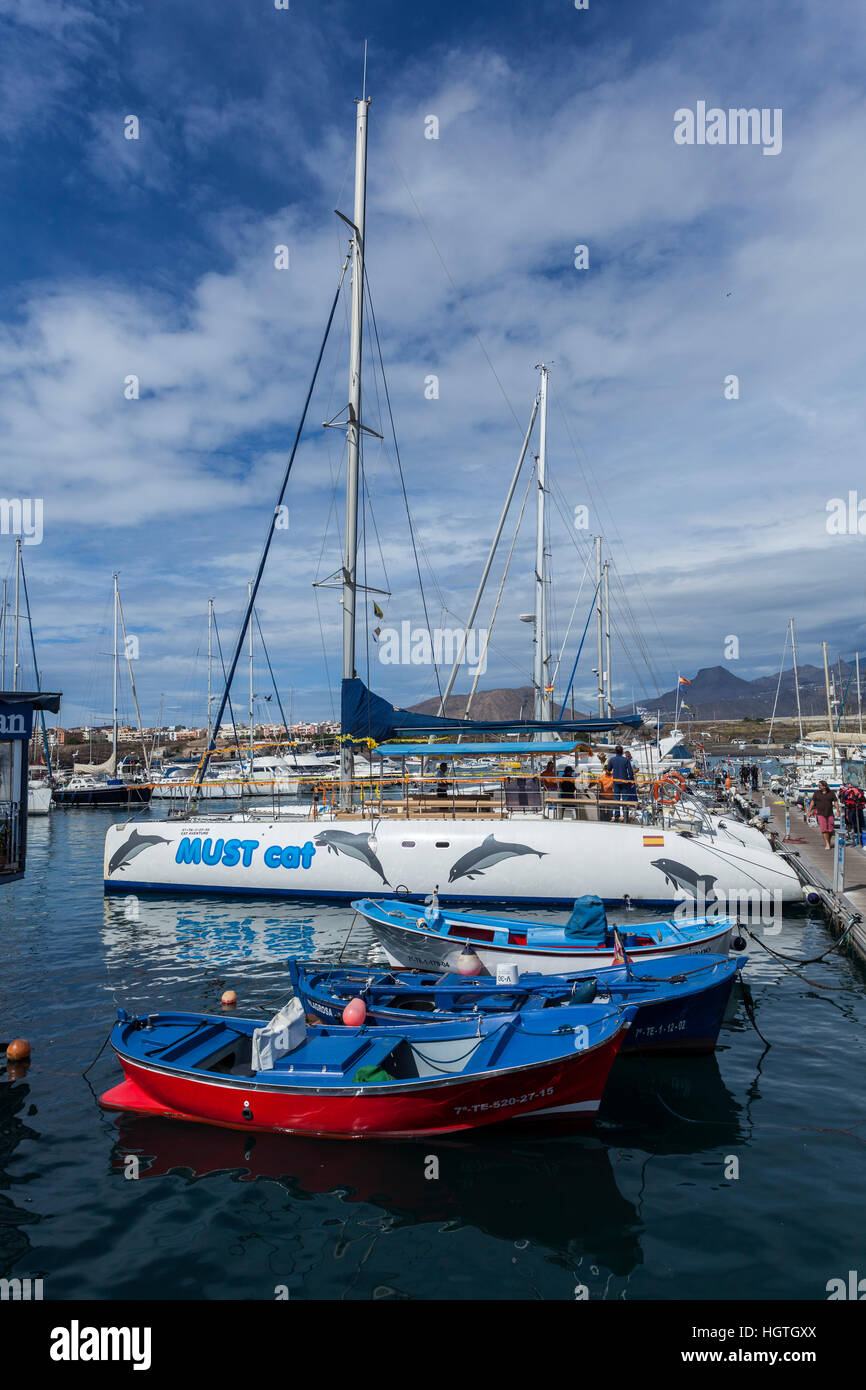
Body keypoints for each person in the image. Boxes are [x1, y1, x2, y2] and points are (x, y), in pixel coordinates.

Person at [606, 744, 637, 823]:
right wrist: (632, 781)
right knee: (625, 800)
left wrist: (609, 774)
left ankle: (616, 816)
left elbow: (608, 770)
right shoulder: (626, 760)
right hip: (624, 782)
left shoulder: (612, 760)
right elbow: (630, 772)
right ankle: (625, 816)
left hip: (616, 782)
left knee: (616, 799)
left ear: (615, 751)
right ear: (622, 752)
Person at [807, 780, 839, 851]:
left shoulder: (831, 793)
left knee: (831, 830)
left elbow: (836, 802)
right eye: (818, 785)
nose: (819, 787)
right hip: (820, 814)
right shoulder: (816, 793)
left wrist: (838, 811)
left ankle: (829, 841)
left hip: (830, 813)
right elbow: (812, 803)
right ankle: (827, 843)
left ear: (824, 786)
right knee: (824, 829)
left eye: (820, 785)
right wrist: (809, 812)